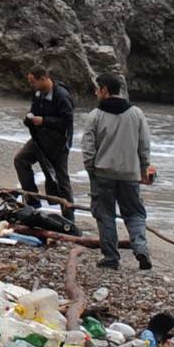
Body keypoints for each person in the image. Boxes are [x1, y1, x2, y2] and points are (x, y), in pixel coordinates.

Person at [81, 74, 153, 271]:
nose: (96, 93)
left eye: (97, 89)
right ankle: (141, 248)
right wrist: (144, 168)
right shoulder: (136, 113)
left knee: (105, 215)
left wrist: (91, 169)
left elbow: (88, 147)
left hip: (103, 173)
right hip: (129, 174)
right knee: (135, 213)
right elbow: (144, 144)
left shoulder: (95, 115)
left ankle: (111, 257)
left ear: (104, 90)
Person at [15, 66, 74, 212]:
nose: (32, 85)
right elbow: (34, 111)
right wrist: (29, 119)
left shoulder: (62, 95)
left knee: (61, 180)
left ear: (43, 79)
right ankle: (32, 200)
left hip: (58, 143)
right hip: (39, 139)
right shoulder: (38, 93)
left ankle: (68, 215)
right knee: (21, 160)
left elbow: (67, 122)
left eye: (33, 82)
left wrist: (44, 121)